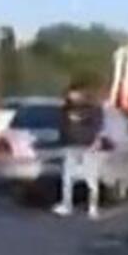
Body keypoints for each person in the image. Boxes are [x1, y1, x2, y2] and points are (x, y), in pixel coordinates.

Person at [52, 83, 109, 218]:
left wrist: (95, 142)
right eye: (69, 94)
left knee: (91, 180)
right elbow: (62, 125)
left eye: (74, 93)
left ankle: (93, 207)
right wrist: (63, 139)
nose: (71, 96)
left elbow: (97, 127)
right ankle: (66, 205)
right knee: (67, 178)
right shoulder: (66, 109)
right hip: (71, 146)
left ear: (82, 94)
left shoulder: (94, 108)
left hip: (88, 147)